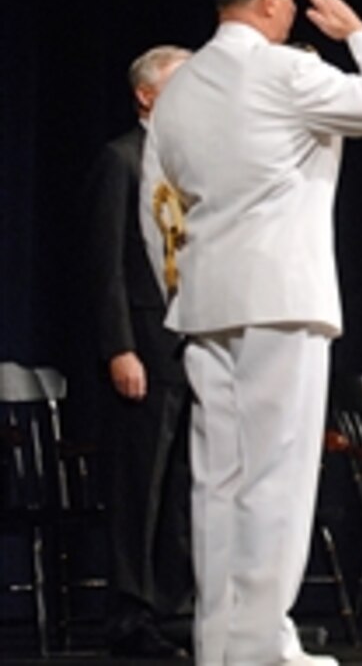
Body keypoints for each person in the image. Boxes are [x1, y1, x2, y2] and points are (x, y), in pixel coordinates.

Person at [138, 0, 362, 663]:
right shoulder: (287, 69)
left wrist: (185, 288)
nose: (298, 7)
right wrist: (357, 32)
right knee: (277, 479)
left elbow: (157, 208)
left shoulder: (182, 86)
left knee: (217, 482)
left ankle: (221, 643)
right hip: (282, 300)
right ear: (269, 0)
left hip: (206, 302)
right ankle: (261, 644)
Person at [87, 44, 193, 659]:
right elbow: (105, 269)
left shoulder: (191, 165)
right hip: (144, 350)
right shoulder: (121, 160)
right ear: (147, 95)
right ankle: (130, 613)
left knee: (183, 486)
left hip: (190, 348)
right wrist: (119, 347)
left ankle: (174, 606)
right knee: (140, 488)